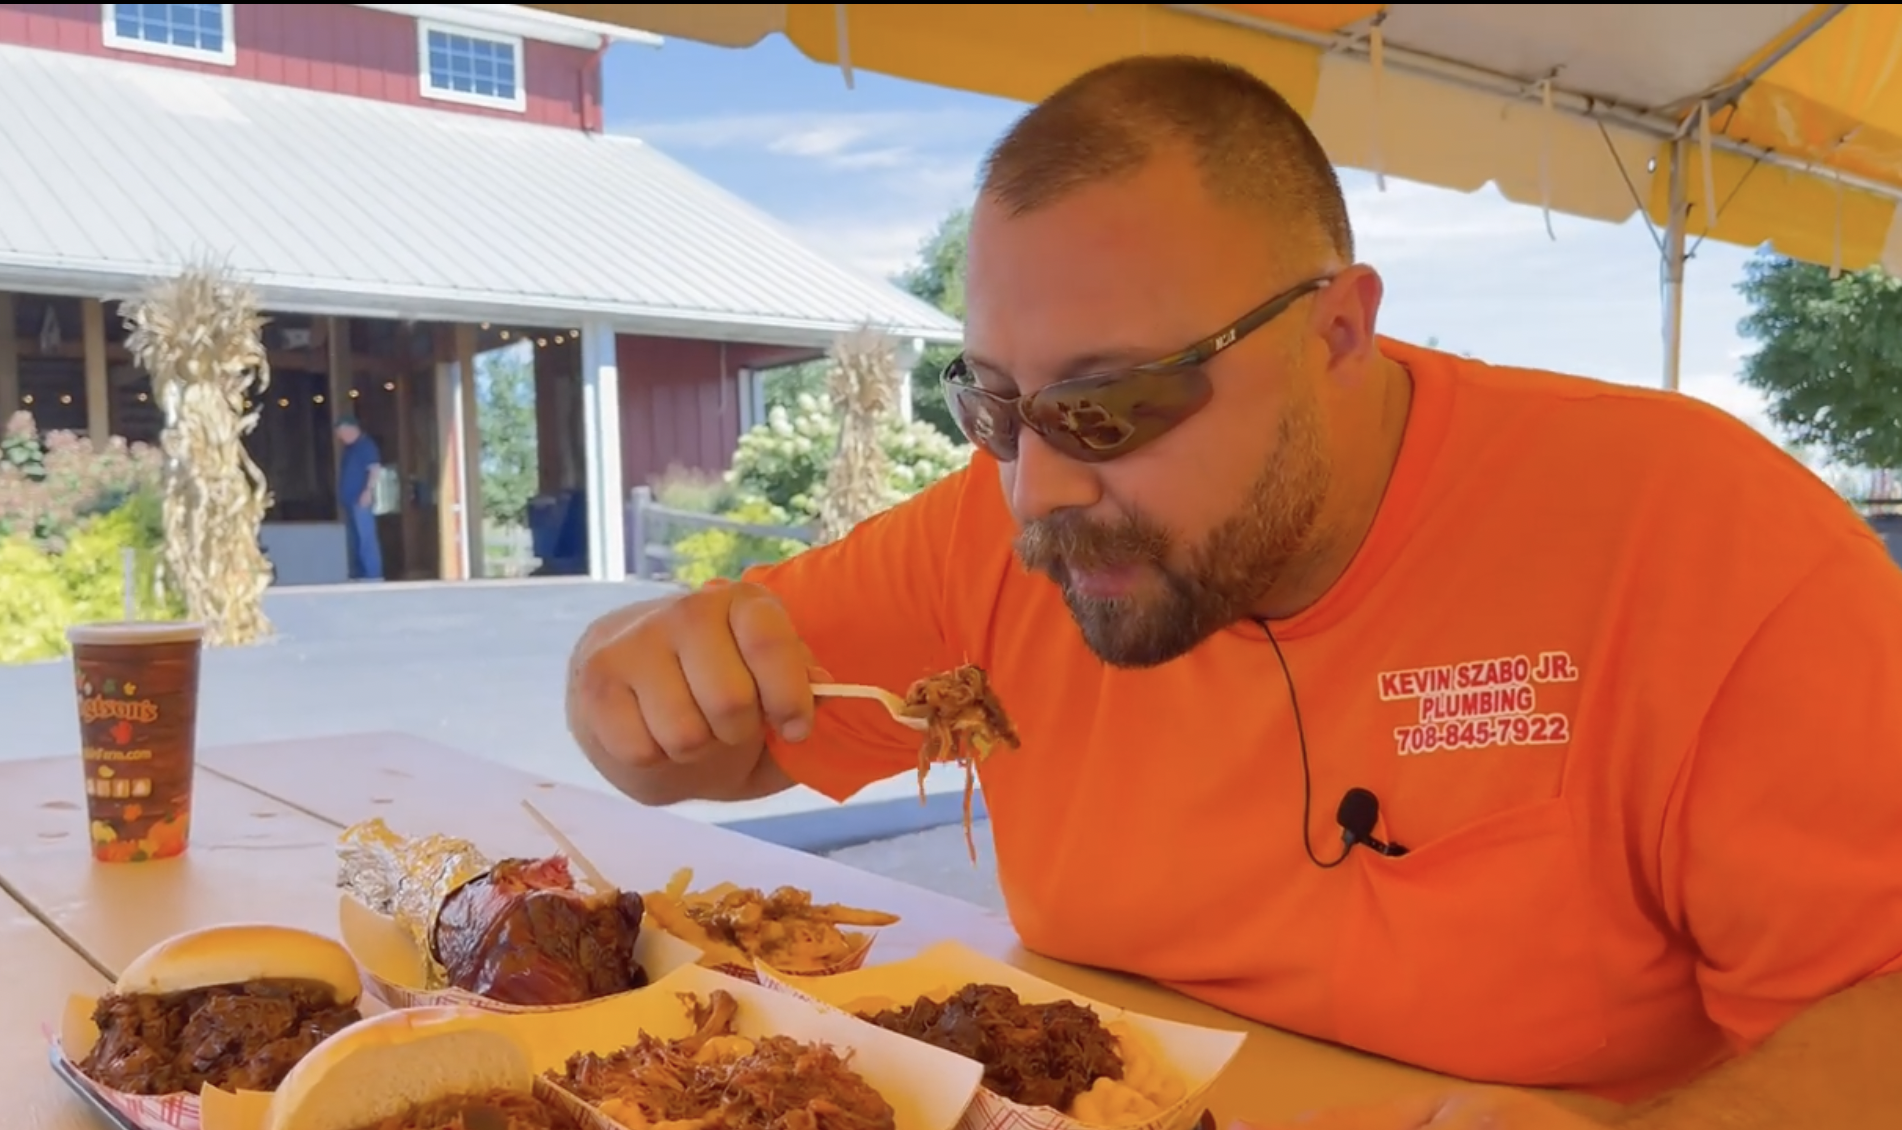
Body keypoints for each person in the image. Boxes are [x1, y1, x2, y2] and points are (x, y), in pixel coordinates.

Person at [565, 55, 1902, 1129]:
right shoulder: (1004, 524)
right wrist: (626, 677)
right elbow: (694, 732)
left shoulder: (1694, 534)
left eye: (1111, 403)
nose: (1037, 493)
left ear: (1335, 332)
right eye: (995, 404)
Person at [334, 415, 383, 582]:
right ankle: (359, 573)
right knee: (354, 539)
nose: (340, 437)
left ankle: (373, 575)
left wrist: (367, 491)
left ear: (351, 429)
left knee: (366, 538)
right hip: (350, 501)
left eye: (341, 433)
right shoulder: (350, 448)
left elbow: (374, 469)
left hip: (361, 501)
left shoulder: (365, 446)